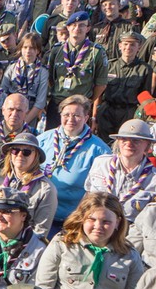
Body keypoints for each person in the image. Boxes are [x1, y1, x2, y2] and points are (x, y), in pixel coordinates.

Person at [38, 94, 110, 226]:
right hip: (40, 212)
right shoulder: (42, 140)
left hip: (74, 219)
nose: (70, 119)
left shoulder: (99, 150)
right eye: (66, 115)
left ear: (86, 118)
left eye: (76, 115)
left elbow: (101, 193)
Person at [84, 119, 156, 221]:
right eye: (124, 139)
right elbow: (87, 197)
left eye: (136, 141)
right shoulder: (100, 163)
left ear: (147, 146)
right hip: (97, 225)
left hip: (131, 229)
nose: (129, 144)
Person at [0, 132, 58, 237]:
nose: (20, 155)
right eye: (15, 150)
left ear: (36, 156)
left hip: (25, 243)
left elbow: (40, 232)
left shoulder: (46, 189)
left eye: (26, 152)